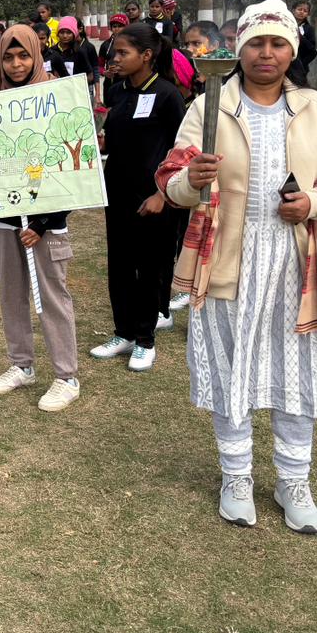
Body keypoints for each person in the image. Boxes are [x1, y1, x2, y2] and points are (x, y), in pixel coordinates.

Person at [156, 0, 317, 533]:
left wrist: (314, 205)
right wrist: (193, 182)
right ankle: (236, 476)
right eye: (257, 43)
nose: (267, 53)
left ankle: (294, 481)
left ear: (292, 49)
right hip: (228, 259)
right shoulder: (210, 109)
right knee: (232, 368)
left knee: (293, 372)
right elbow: (171, 181)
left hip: (297, 264)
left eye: (278, 43)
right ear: (240, 49)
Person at [0, 26, 80, 413]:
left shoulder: (57, 100)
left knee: (53, 296)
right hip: (3, 220)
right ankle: (21, 365)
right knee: (11, 295)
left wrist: (41, 223)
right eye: (8, 57)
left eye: (23, 56)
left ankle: (66, 375)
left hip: (44, 224)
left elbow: (68, 173)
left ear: (37, 56)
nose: (16, 64)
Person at [90, 24, 186, 373]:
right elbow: (114, 141)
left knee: (148, 269)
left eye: (122, 52)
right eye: (114, 52)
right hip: (116, 193)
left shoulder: (167, 95)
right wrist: (101, 144)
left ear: (147, 56)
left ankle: (145, 340)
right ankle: (124, 332)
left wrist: (162, 193)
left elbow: (182, 151)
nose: (115, 58)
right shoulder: (117, 92)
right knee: (119, 266)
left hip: (152, 200)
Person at [293, 1, 317, 70]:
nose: (302, 12)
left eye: (305, 11)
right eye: (299, 9)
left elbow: (313, 52)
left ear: (307, 14)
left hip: (299, 69)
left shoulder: (309, 29)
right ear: (293, 10)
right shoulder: (286, 25)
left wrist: (301, 64)